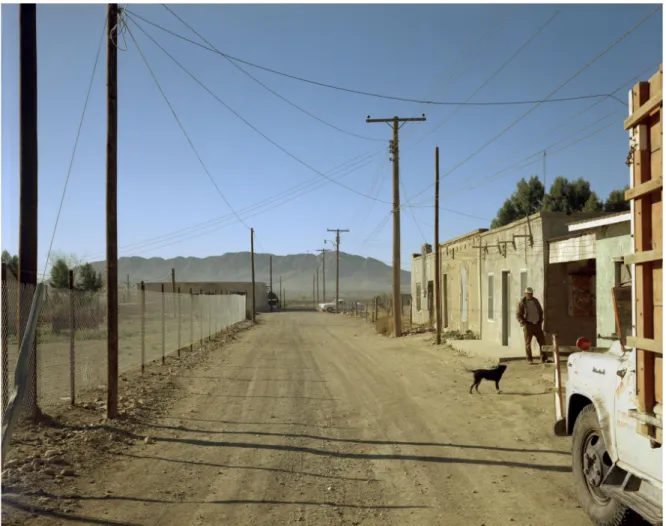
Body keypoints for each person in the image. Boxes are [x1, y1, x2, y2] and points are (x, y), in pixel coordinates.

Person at [516, 287, 547, 364]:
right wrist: (523, 323)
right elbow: (518, 314)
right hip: (528, 325)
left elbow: (540, 311)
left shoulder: (535, 301)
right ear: (525, 294)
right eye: (529, 294)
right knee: (528, 343)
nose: (530, 295)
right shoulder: (522, 302)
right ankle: (529, 359)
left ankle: (544, 358)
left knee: (542, 342)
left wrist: (541, 319)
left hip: (537, 325)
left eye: (531, 293)